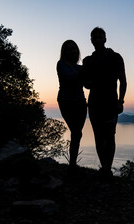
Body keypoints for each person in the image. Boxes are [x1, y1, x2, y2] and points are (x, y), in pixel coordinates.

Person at [83, 27, 127, 182]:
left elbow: (123, 80)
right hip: (94, 103)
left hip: (110, 103)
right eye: (94, 37)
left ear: (105, 39)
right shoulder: (87, 61)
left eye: (100, 37)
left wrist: (120, 101)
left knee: (109, 135)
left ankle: (107, 168)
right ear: (91, 40)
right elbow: (86, 84)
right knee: (98, 136)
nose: (97, 39)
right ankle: (104, 167)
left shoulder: (115, 57)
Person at [57, 40, 87, 174]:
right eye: (69, 49)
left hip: (80, 102)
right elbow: (69, 78)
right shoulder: (61, 64)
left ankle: (72, 164)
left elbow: (88, 84)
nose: (72, 51)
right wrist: (84, 69)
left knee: (77, 133)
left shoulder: (79, 67)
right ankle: (72, 165)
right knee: (75, 131)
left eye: (74, 48)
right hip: (66, 101)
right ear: (64, 52)